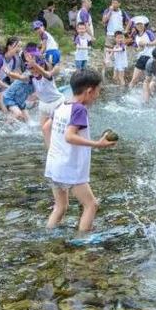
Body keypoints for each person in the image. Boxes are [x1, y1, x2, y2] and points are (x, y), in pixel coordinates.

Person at [42, 69, 116, 234]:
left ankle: (47, 235)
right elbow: (69, 136)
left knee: (60, 207)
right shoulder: (79, 109)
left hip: (54, 165)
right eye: (98, 91)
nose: (98, 95)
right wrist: (98, 144)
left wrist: (53, 151)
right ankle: (82, 243)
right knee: (91, 205)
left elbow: (46, 128)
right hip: (70, 167)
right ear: (89, 91)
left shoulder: (62, 105)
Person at [25, 51, 63, 147]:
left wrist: (35, 65)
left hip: (57, 104)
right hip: (44, 105)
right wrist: (10, 74)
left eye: (33, 67)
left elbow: (47, 74)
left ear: (40, 65)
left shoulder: (47, 76)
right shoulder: (31, 77)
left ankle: (59, 149)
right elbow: (21, 77)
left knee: (57, 131)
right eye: (30, 68)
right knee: (44, 131)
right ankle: (50, 151)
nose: (31, 70)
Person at [101, 0, 130, 77]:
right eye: (112, 2)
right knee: (107, 54)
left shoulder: (122, 12)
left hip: (120, 35)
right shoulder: (107, 10)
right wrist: (110, 11)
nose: (113, 4)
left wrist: (126, 30)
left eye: (115, 3)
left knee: (120, 53)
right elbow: (104, 21)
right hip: (110, 35)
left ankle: (117, 75)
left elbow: (129, 21)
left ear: (119, 4)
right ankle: (103, 73)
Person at [128, 16, 156, 89]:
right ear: (135, 26)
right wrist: (139, 48)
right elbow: (138, 49)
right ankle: (128, 94)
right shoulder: (136, 36)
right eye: (138, 24)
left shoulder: (148, 32)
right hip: (141, 58)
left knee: (150, 79)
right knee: (134, 79)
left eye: (141, 24)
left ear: (144, 25)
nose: (139, 26)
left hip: (151, 58)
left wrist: (146, 43)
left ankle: (151, 94)